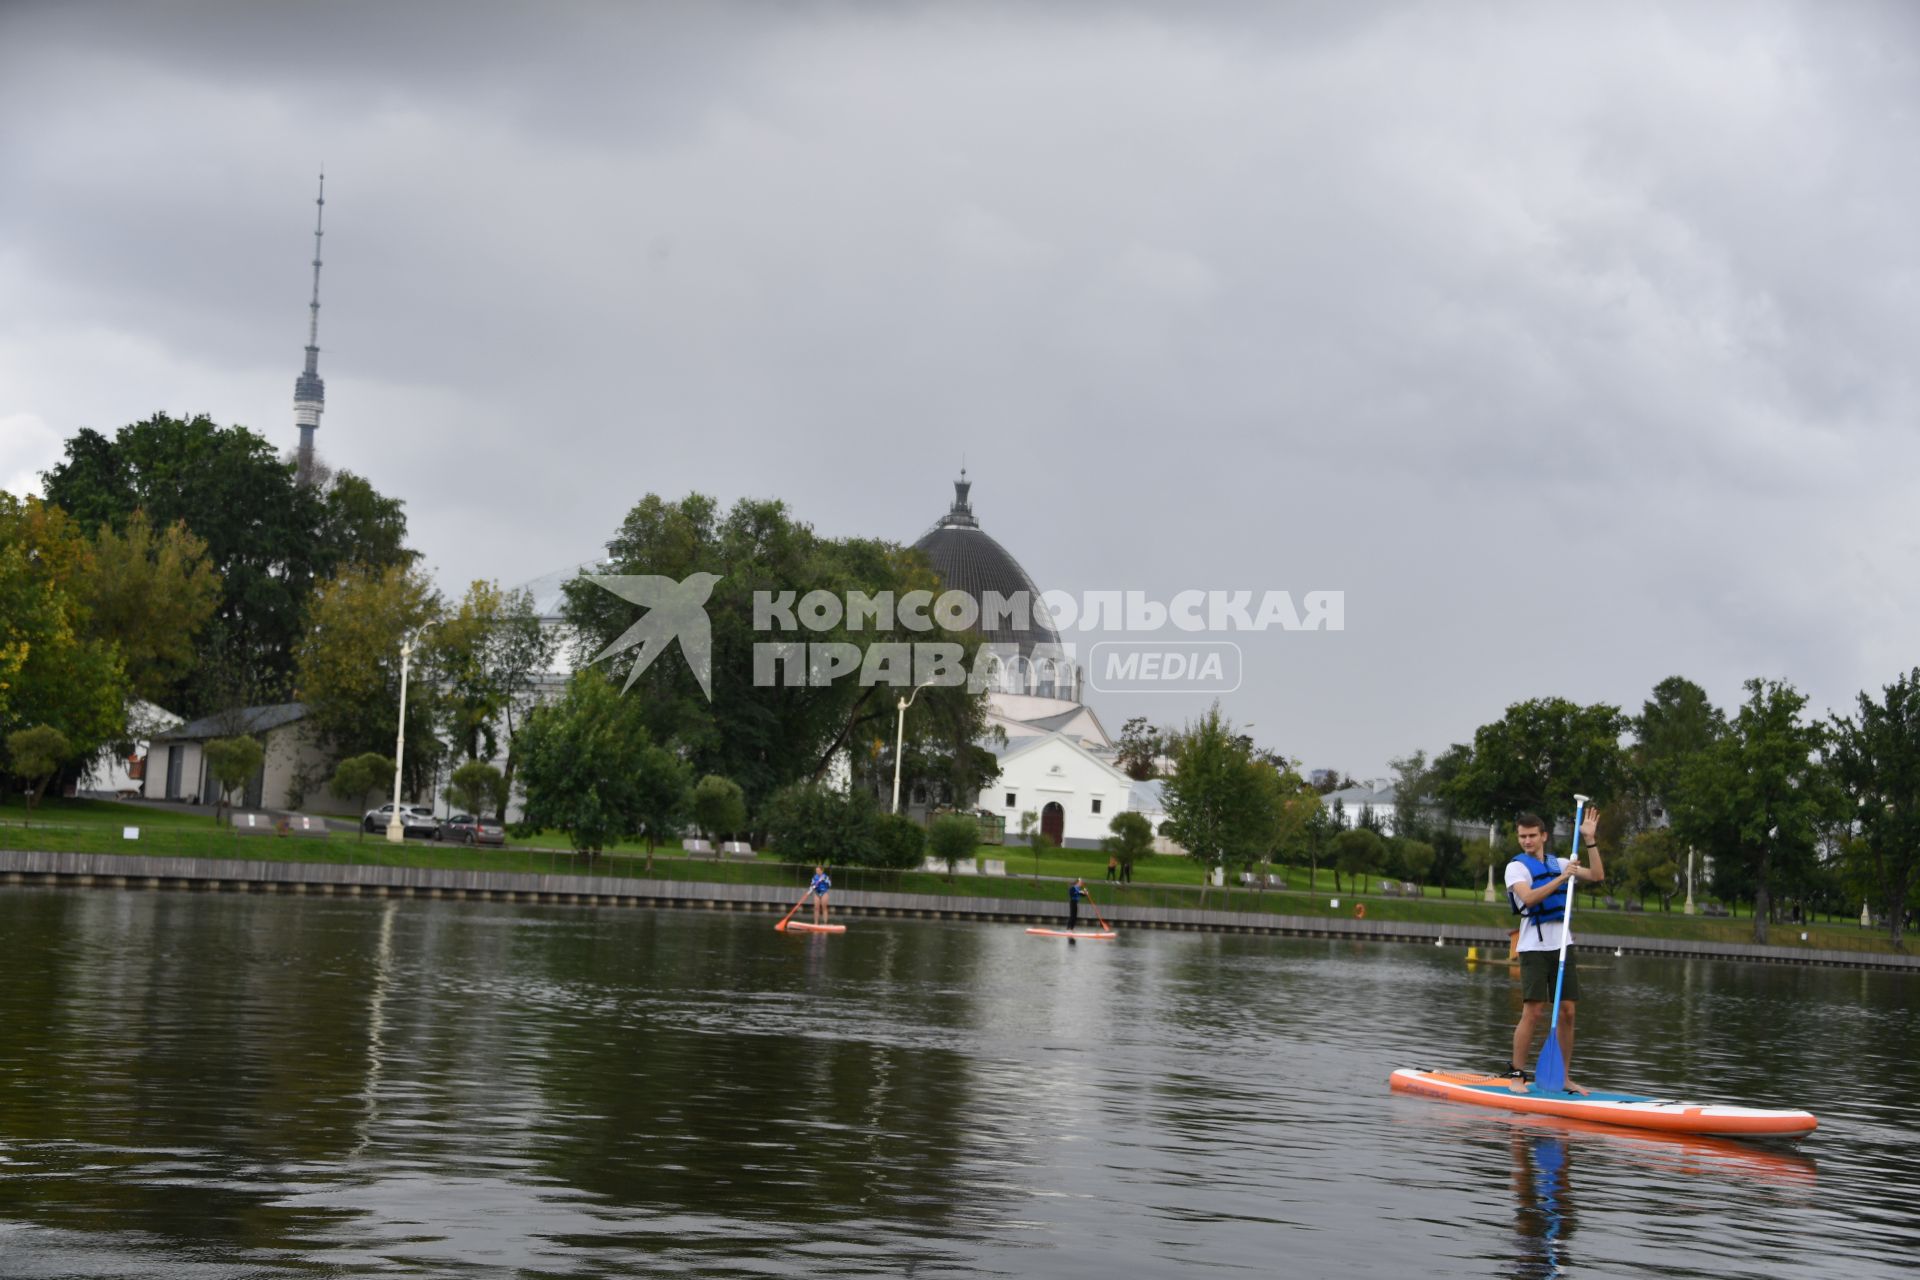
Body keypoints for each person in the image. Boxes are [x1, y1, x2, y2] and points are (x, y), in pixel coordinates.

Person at [1504, 806, 1603, 1093]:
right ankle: (1518, 1075)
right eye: (1523, 836)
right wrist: (1563, 878)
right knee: (1533, 1011)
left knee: (1568, 1012)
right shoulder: (1517, 867)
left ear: (1544, 836)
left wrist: (1589, 840)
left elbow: (1597, 874)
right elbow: (1530, 898)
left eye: (1532, 836)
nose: (1527, 841)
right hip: (1533, 947)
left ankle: (1562, 1077)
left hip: (1562, 945)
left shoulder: (1560, 862)